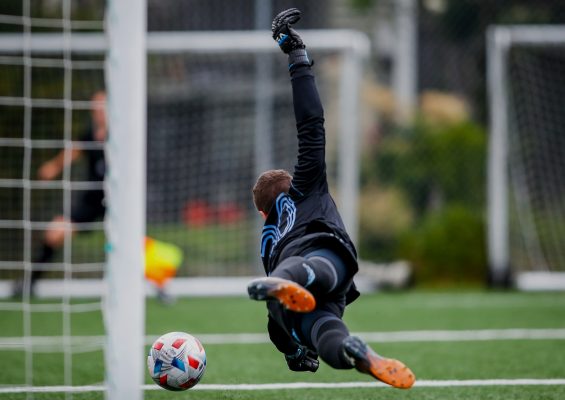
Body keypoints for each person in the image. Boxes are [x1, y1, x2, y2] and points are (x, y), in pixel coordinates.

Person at [247, 9, 415, 389]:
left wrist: (293, 354)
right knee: (317, 276)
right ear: (291, 186)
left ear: (262, 213)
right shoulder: (306, 188)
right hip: (330, 260)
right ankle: (349, 343)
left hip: (289, 290)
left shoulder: (267, 241)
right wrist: (297, 56)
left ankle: (338, 342)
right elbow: (311, 126)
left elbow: (276, 332)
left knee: (320, 335)